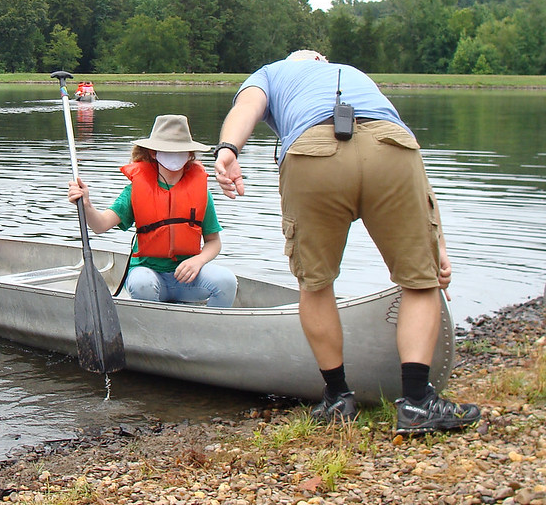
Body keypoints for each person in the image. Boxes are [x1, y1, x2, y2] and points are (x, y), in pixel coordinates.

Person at [213, 50, 480, 435]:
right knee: (419, 282)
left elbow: (247, 108)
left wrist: (228, 150)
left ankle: (338, 399)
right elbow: (414, 176)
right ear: (320, 60)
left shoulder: (270, 73)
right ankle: (419, 403)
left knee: (315, 285)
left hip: (312, 151)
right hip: (392, 148)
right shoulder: (354, 74)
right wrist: (436, 247)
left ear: (294, 61)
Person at [67, 114, 238, 307]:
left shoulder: (201, 193)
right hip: (149, 274)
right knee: (142, 284)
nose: (174, 154)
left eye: (180, 150)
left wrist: (198, 261)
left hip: (187, 278)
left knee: (227, 282)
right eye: (167, 149)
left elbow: (214, 242)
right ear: (153, 153)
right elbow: (100, 225)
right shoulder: (135, 190)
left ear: (190, 154)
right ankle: (152, 327)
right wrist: (87, 205)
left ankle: (206, 328)